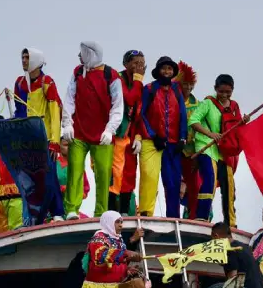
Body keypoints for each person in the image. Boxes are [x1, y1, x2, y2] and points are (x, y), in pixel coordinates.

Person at [62, 41, 123, 219]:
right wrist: (67, 123)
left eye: (82, 53)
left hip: (102, 135)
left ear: (91, 53)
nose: (79, 57)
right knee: (75, 170)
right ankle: (71, 209)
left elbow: (118, 105)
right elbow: (69, 98)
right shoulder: (78, 72)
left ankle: (101, 212)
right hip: (79, 133)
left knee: (103, 173)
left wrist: (110, 129)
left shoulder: (110, 75)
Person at [188, 74, 249, 226]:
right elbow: (193, 121)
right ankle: (202, 218)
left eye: (228, 92)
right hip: (206, 146)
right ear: (216, 89)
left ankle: (231, 223)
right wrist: (211, 134)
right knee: (209, 179)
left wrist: (244, 122)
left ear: (232, 90)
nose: (224, 95)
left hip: (225, 151)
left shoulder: (234, 106)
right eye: (221, 91)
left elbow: (235, 128)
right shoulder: (208, 103)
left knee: (229, 187)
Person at [137, 56, 188, 218]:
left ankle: (173, 217)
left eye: (170, 69)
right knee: (149, 178)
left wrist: (182, 138)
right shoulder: (149, 89)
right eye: (164, 68)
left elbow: (182, 114)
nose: (167, 71)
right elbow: (141, 114)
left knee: (172, 182)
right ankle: (146, 213)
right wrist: (153, 135)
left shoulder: (176, 90)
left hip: (173, 144)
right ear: (158, 70)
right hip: (154, 142)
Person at [110, 50, 146, 215]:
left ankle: (125, 210)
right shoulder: (117, 79)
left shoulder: (140, 84)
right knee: (114, 175)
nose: (139, 66)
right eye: (135, 62)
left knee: (130, 173)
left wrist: (138, 137)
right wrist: (138, 78)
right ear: (125, 64)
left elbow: (139, 114)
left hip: (130, 135)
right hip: (114, 136)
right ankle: (110, 211)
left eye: (142, 63)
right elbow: (130, 99)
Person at [13, 48, 63, 155]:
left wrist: (55, 142)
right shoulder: (19, 83)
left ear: (36, 60)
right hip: (25, 141)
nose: (23, 60)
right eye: (22, 57)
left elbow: (55, 114)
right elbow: (18, 111)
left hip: (45, 140)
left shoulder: (47, 82)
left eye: (27, 57)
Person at [210, 222, 263, 288]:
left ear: (216, 236)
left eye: (212, 239)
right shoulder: (242, 246)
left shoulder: (229, 251)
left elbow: (232, 280)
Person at [176, 61, 201, 219]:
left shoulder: (198, 105)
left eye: (191, 84)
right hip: (174, 151)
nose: (189, 88)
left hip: (193, 153)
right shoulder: (171, 101)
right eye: (185, 84)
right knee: (173, 189)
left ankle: (193, 219)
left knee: (196, 189)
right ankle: (173, 219)